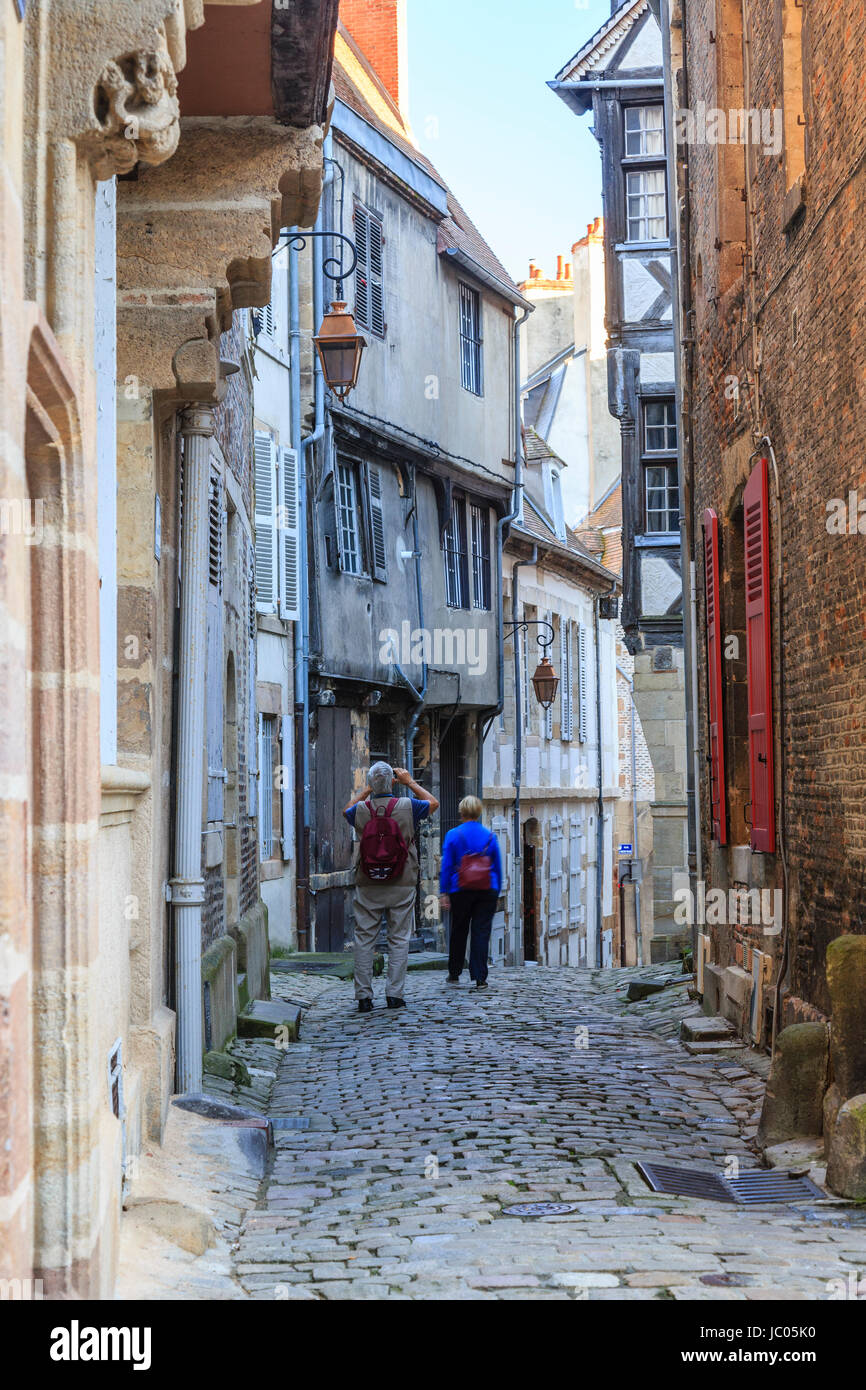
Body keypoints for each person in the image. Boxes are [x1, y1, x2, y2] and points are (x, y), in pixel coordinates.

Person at [344, 761, 439, 1013]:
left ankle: (364, 996)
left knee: (364, 940)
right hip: (402, 881)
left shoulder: (362, 810)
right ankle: (394, 995)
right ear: (393, 783)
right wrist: (410, 782)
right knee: (399, 939)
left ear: (372, 784)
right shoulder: (409, 806)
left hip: (368, 882)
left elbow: (346, 810)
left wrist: (367, 790)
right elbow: (434, 803)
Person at [440, 796, 502, 990]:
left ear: (461, 812)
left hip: (461, 888)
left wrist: (444, 892)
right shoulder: (490, 836)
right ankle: (480, 976)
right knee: (481, 932)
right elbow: (497, 866)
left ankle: (455, 971)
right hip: (487, 888)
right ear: (479, 812)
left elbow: (447, 866)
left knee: (459, 930)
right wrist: (496, 889)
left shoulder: (453, 835)